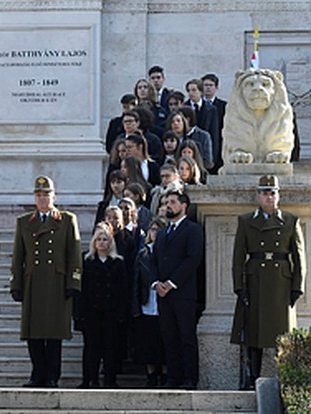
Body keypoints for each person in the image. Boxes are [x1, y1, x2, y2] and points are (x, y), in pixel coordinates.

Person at [230, 175, 306, 390]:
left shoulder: (290, 221)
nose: (268, 197)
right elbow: (238, 258)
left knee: (281, 336)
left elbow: (299, 258)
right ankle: (253, 379)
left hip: (280, 282)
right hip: (255, 280)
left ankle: (284, 380)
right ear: (258, 196)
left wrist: (297, 287)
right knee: (254, 334)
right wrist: (239, 286)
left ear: (278, 195)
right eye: (264, 193)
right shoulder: (246, 221)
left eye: (272, 192)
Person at [10, 176, 82, 388]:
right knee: (33, 333)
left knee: (53, 333)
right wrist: (16, 284)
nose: (42, 199)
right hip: (33, 282)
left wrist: (74, 283)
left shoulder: (67, 220)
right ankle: (37, 374)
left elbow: (74, 254)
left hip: (56, 282)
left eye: (46, 195)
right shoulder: (25, 222)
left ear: (54, 197)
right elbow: (18, 256)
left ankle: (52, 375)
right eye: (39, 195)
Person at [153, 190, 204, 389]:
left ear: (183, 206)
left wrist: (171, 283)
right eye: (166, 202)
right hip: (162, 294)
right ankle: (173, 377)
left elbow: (193, 259)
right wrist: (156, 283)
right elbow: (155, 260)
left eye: (172, 202)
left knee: (186, 337)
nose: (168, 206)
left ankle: (190, 378)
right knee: (169, 338)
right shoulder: (163, 232)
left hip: (183, 294)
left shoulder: (193, 229)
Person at [78, 223, 127, 389]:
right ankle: (89, 380)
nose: (101, 242)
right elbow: (81, 289)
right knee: (91, 348)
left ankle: (109, 380)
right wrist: (78, 314)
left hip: (111, 311)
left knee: (110, 347)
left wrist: (122, 312)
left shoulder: (118, 263)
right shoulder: (86, 261)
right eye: (98, 239)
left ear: (110, 242)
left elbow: (123, 289)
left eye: (105, 239)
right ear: (93, 242)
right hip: (91, 312)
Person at [132, 217, 168, 387]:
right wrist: (136, 305)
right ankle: (151, 375)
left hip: (165, 306)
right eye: (153, 229)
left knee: (164, 342)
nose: (156, 233)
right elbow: (136, 282)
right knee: (148, 343)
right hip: (147, 305)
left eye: (159, 230)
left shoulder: (169, 252)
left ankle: (165, 374)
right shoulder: (143, 254)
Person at [201, 74, 226, 174]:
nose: (208, 88)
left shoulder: (223, 105)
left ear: (216, 88)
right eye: (205, 85)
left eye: (211, 85)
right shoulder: (198, 105)